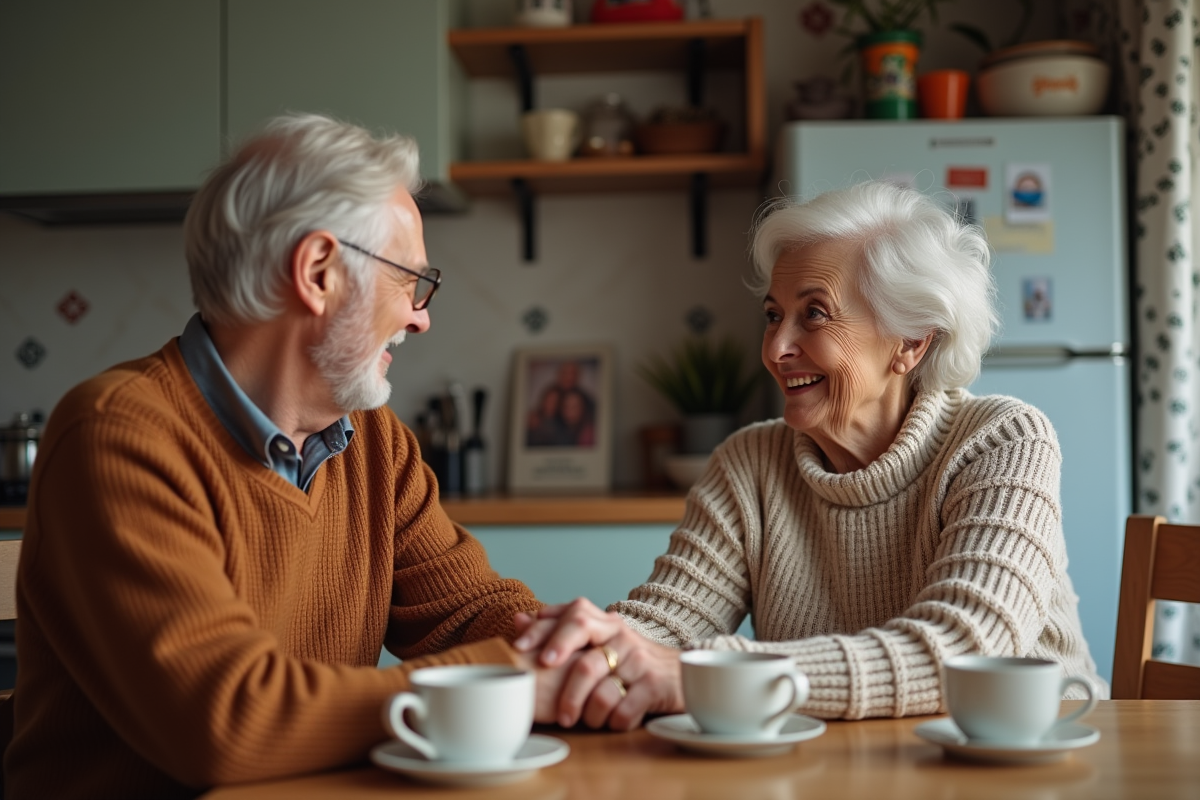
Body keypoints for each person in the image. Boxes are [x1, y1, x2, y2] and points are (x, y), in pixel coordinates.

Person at [3, 114, 578, 800]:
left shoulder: (376, 442)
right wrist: (517, 677)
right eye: (410, 280)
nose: (421, 316)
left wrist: (566, 648)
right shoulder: (117, 436)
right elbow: (228, 722)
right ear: (317, 272)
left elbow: (468, 612)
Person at [513, 180, 1106, 731]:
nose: (776, 348)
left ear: (910, 341)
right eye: (773, 316)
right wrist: (600, 646)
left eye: (814, 314)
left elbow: (964, 652)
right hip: (842, 767)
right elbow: (667, 627)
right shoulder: (749, 464)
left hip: (1024, 762)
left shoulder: (1003, 441)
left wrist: (703, 675)